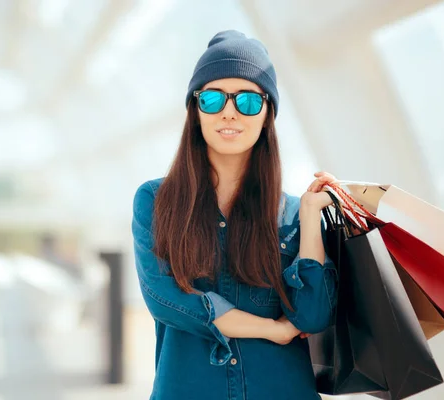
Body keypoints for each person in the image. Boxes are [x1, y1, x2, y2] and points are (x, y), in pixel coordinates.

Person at [131, 30, 338, 400]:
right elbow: (166, 299)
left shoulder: (291, 213)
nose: (229, 111)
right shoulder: (156, 200)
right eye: (211, 98)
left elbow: (312, 317)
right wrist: (270, 329)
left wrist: (309, 219)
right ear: (195, 112)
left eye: (247, 100)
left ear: (266, 114)